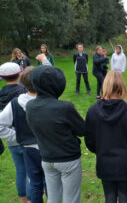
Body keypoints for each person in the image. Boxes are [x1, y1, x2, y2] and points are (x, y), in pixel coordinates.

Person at [26, 64, 85, 203]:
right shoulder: (64, 107)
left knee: (53, 198)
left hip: (47, 158)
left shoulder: (30, 106)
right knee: (71, 199)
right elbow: (82, 130)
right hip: (68, 159)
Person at [85, 70, 127, 203]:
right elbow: (90, 141)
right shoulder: (94, 111)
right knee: (120, 195)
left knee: (111, 196)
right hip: (121, 163)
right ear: (122, 86)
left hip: (110, 163)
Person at [0, 62, 50, 203]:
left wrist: (15, 136)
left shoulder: (8, 98)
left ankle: (25, 198)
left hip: (22, 143)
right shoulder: (27, 97)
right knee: (41, 178)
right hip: (38, 144)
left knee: (27, 175)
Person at [0, 62, 30, 203]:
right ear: (19, 74)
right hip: (25, 138)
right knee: (31, 171)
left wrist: (12, 136)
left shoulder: (1, 93)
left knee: (20, 170)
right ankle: (30, 199)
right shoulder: (22, 92)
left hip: (10, 138)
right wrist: (19, 136)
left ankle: (23, 199)